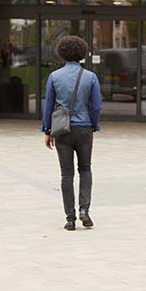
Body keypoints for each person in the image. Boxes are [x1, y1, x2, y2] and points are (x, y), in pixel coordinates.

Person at [42, 35, 102, 231]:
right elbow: (96, 106)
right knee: (85, 169)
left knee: (66, 174)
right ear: (81, 53)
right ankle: (84, 209)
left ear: (62, 53)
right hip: (84, 128)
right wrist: (93, 125)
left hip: (62, 130)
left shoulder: (54, 77)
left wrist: (47, 130)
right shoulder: (91, 77)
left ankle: (70, 218)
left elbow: (49, 105)